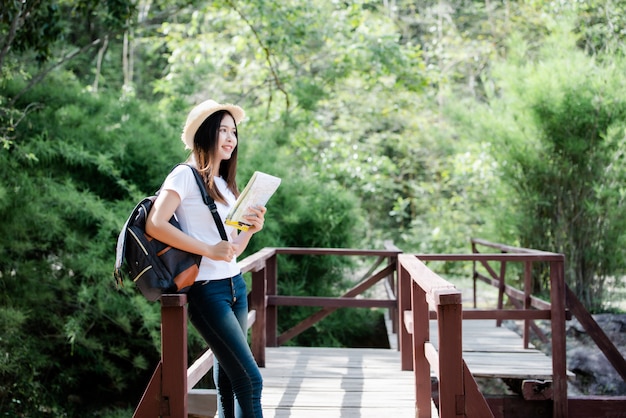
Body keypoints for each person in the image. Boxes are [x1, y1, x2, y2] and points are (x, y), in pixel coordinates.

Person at [145, 99, 265, 418]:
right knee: (250, 380)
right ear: (205, 134)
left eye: (233, 131)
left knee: (228, 378)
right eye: (222, 130)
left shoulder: (226, 184)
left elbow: (233, 249)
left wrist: (251, 230)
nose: (230, 138)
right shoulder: (183, 175)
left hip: (235, 285)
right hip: (206, 290)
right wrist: (207, 250)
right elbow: (155, 223)